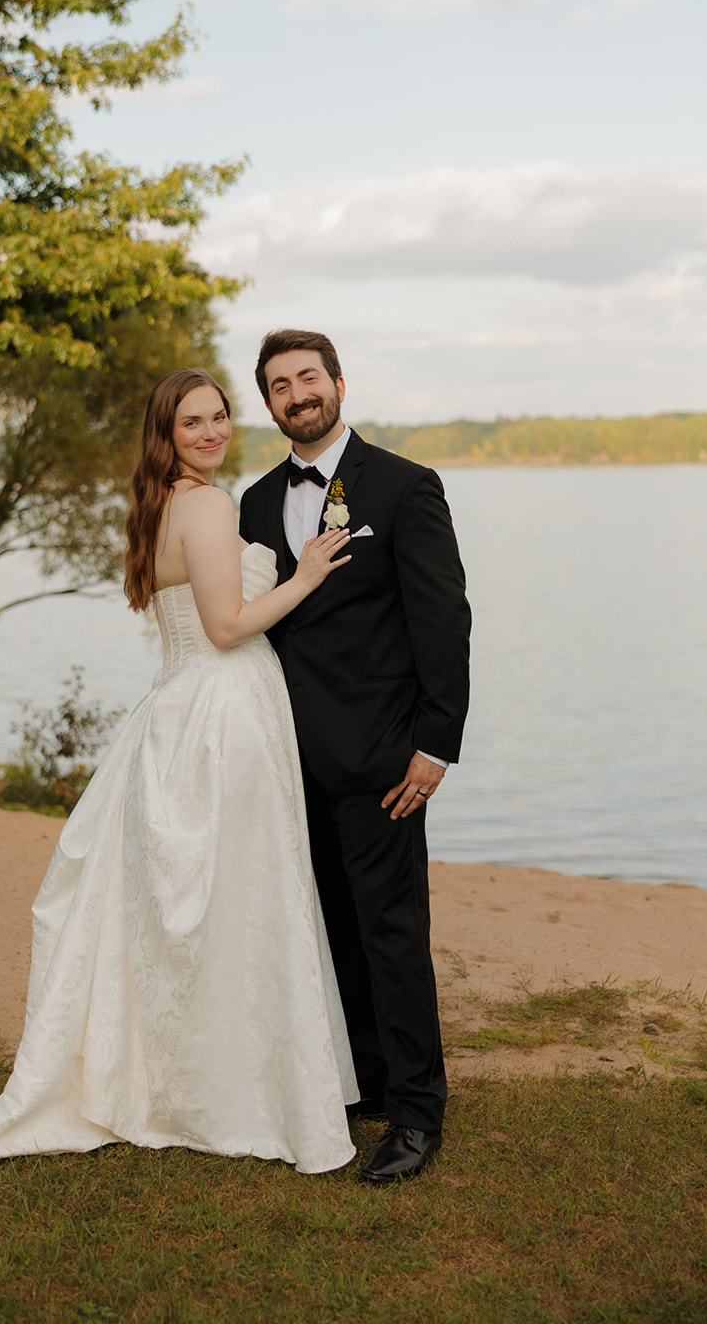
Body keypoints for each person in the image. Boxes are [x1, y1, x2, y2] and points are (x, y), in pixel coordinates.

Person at [0, 367, 359, 1175]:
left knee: (200, 903)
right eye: (191, 423)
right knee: (237, 896)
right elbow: (228, 626)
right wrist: (305, 576)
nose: (210, 433)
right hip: (220, 709)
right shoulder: (204, 504)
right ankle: (235, 1090)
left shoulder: (158, 504)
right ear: (165, 434)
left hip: (181, 703)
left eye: (218, 417)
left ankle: (193, 1081)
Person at [239, 330, 471, 1185]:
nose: (296, 393)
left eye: (308, 377)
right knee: (328, 930)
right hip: (285, 761)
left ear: (339, 383)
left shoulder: (405, 487)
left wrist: (434, 744)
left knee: (392, 936)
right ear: (268, 404)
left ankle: (416, 1114)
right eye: (278, 384)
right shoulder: (256, 502)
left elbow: (442, 620)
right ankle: (363, 1081)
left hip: (382, 760)